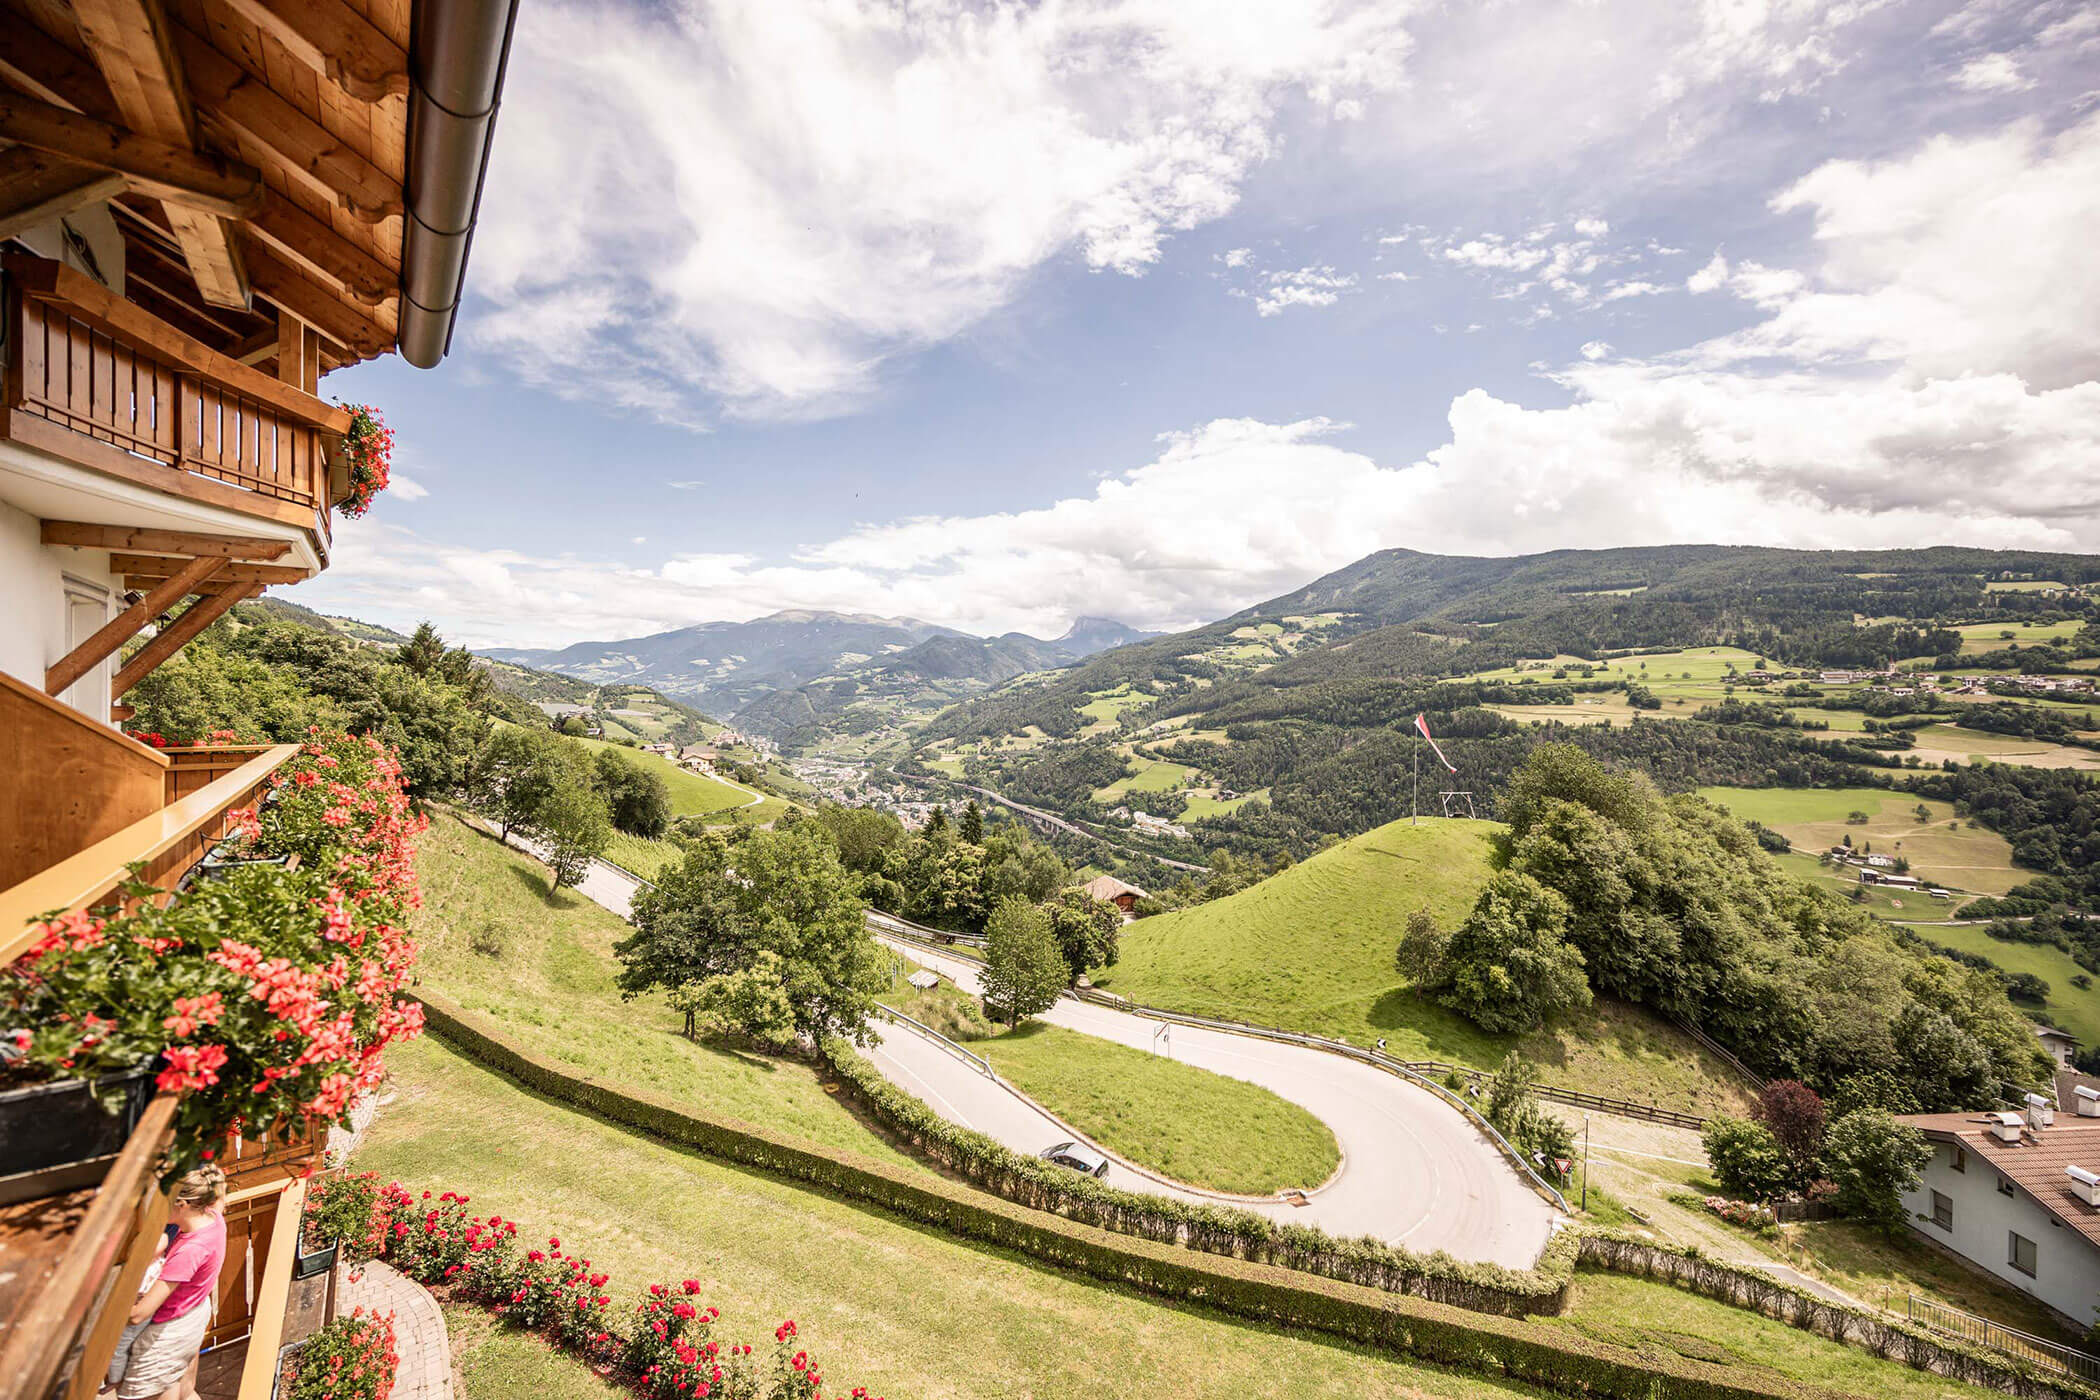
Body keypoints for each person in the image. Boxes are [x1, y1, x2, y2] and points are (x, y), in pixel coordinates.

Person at [115, 1164, 227, 1400]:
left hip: (170, 1331)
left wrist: (113, 1302)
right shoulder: (214, 1219)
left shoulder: (189, 1251)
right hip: (195, 1313)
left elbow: (137, 1315)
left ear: (182, 1204)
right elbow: (220, 1191)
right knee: (185, 1392)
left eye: (164, 1201)